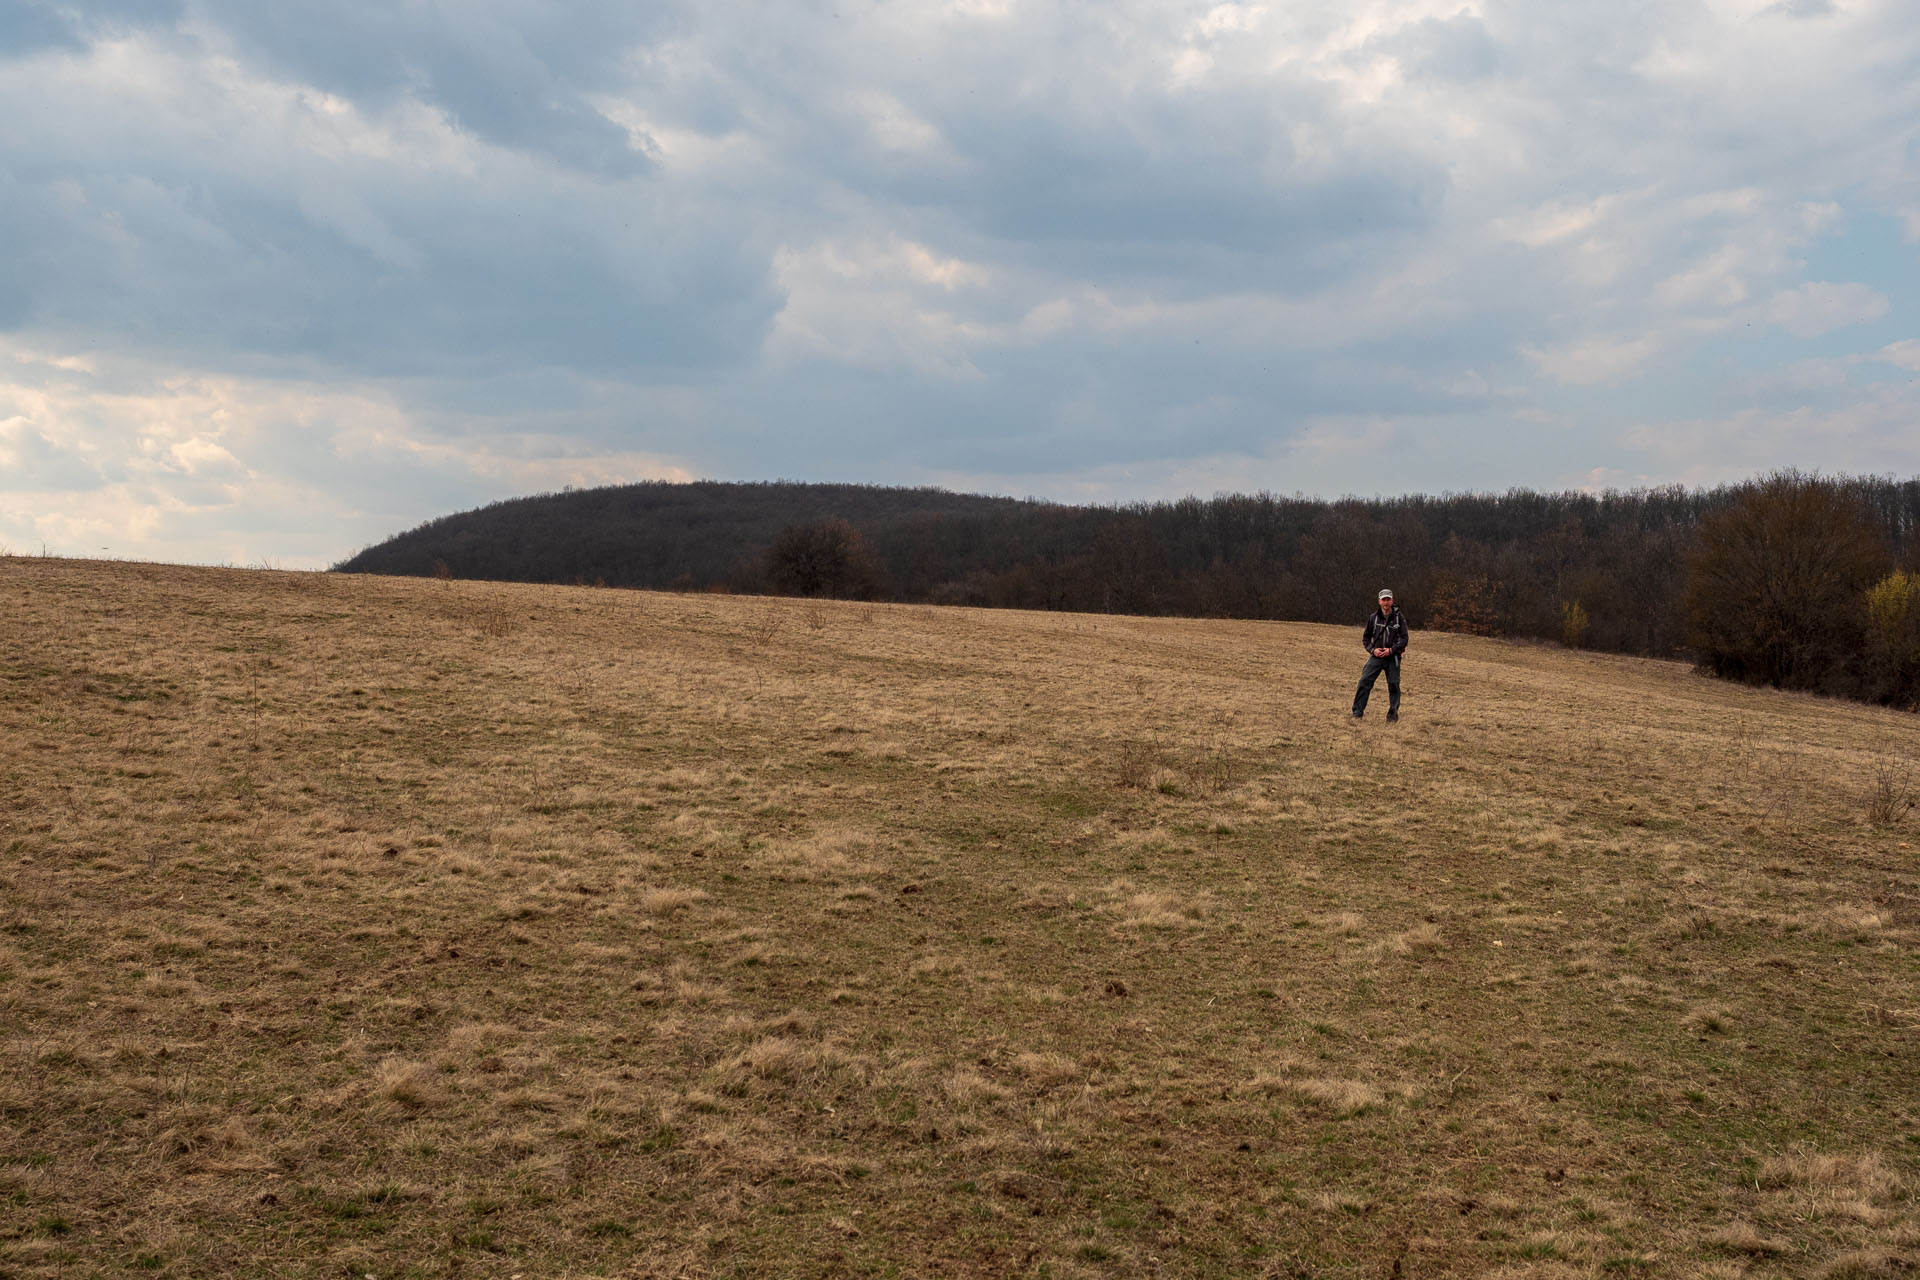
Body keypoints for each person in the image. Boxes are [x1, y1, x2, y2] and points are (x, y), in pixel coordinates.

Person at [1352, 588, 1408, 722]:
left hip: (1392, 657)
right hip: (1376, 657)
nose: (1386, 602)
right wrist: (1372, 650)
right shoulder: (1373, 617)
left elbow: (1404, 639)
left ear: (1392, 601)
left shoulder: (1399, 618)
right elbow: (1365, 638)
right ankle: (1357, 713)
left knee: (1394, 686)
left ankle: (1392, 716)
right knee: (1364, 682)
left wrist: (1391, 650)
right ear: (1379, 601)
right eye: (1383, 600)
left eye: (1388, 599)